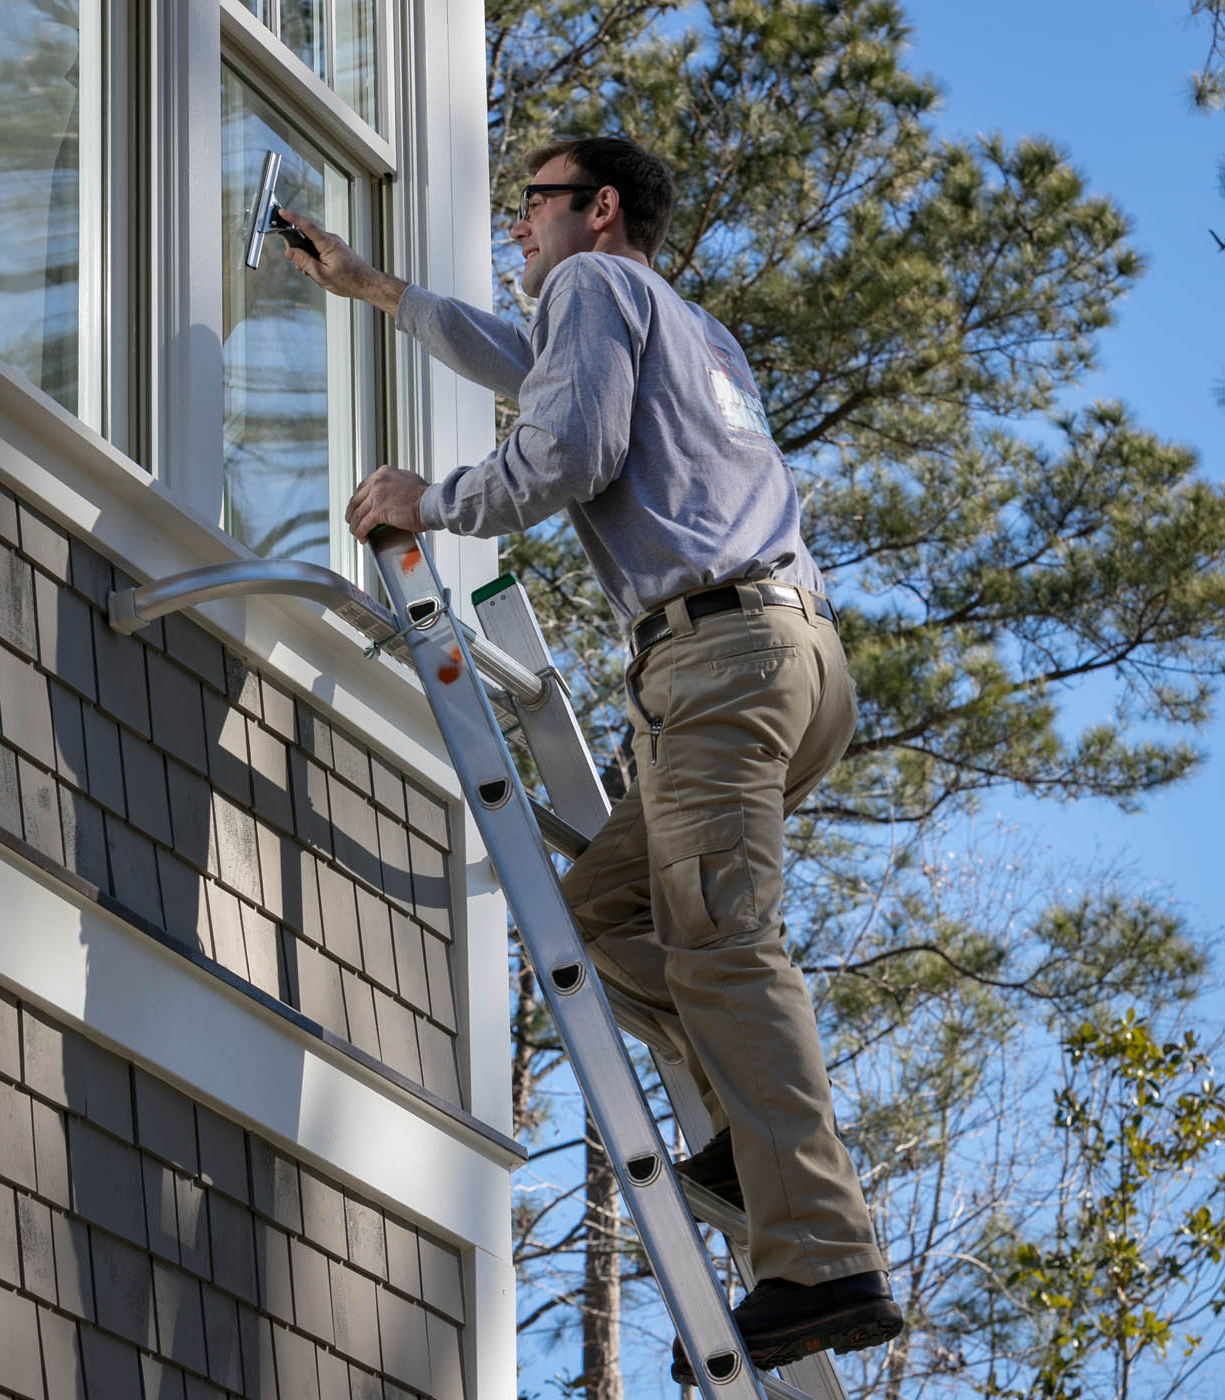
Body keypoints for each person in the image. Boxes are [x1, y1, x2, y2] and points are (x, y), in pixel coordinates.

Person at [279, 135, 902, 1378]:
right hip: (791, 662)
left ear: (598, 209)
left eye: (534, 207)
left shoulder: (594, 285)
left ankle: (824, 1255)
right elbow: (531, 372)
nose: (521, 232)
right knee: (608, 909)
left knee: (722, 939)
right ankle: (737, 1135)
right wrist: (381, 291)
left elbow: (563, 451)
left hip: (716, 664)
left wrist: (431, 499)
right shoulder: (678, 320)